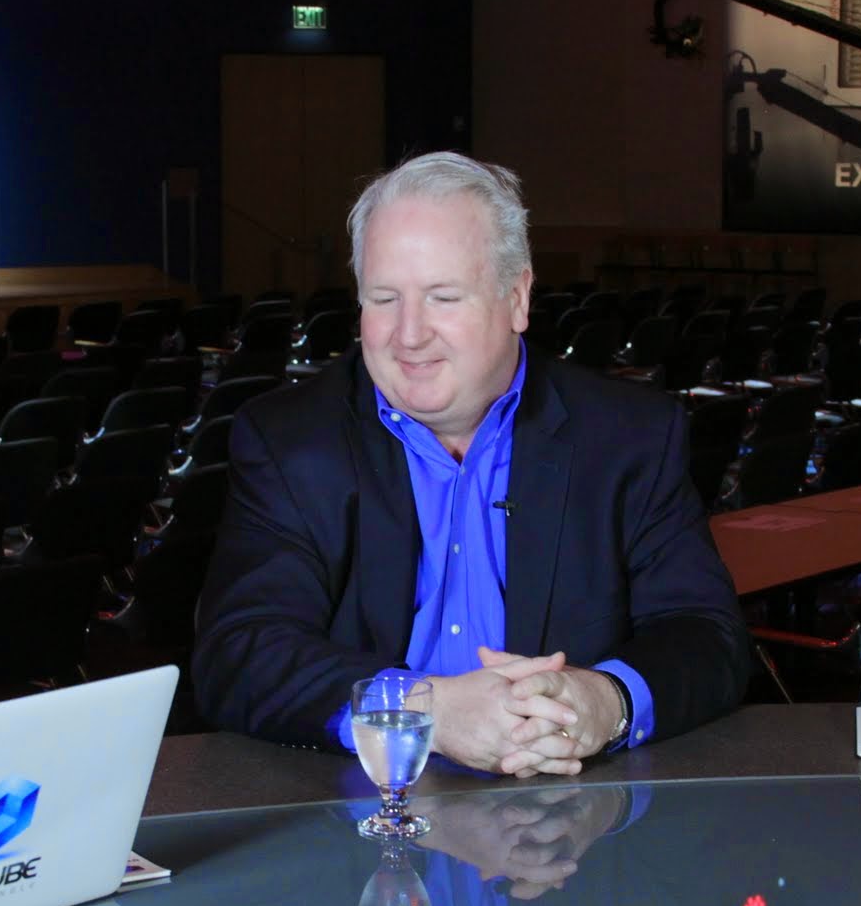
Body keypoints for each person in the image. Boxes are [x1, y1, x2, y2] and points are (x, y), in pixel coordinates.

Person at [193, 152, 751, 774]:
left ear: (517, 299)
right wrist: (422, 708)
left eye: (443, 297)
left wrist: (604, 702)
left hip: (577, 822)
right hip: (360, 819)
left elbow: (708, 637)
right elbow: (238, 654)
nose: (408, 335)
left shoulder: (630, 437)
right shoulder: (289, 440)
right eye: (383, 299)